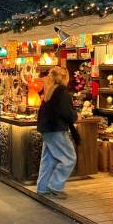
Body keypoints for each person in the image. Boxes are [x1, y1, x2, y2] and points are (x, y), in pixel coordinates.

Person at [36, 66, 81, 199]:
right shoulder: (62, 92)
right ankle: (55, 185)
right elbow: (67, 112)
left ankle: (42, 187)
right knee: (69, 158)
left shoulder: (49, 91)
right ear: (64, 78)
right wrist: (76, 116)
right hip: (57, 129)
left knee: (48, 160)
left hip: (47, 129)